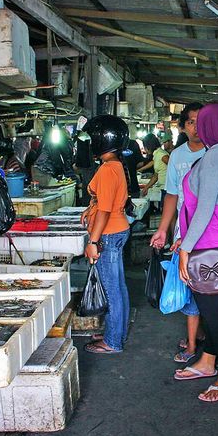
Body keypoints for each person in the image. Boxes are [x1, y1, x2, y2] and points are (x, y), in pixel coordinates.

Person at [173, 104, 218, 403]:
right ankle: (208, 361)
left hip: (210, 249)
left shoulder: (217, 156)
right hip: (214, 243)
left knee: (214, 315)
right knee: (212, 310)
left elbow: (205, 208)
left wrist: (186, 249)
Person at [150, 102, 206, 363]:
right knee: (190, 284)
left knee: (214, 286)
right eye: (191, 122)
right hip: (184, 230)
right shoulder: (178, 156)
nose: (196, 127)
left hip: (211, 231)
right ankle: (193, 344)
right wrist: (164, 229)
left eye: (201, 121)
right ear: (183, 126)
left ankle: (210, 337)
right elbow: (172, 194)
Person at [81, 115, 134, 354]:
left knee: (113, 289)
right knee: (119, 287)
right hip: (118, 227)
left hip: (108, 234)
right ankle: (117, 332)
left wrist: (93, 241)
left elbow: (104, 209)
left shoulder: (106, 169)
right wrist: (89, 209)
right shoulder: (116, 166)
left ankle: (113, 342)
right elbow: (104, 201)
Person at [140, 133, 172, 199]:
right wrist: (146, 188)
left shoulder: (162, 155)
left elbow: (174, 169)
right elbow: (156, 175)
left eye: (145, 147)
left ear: (148, 146)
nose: (145, 149)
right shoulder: (156, 154)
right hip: (162, 189)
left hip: (166, 190)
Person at [73, 133, 97, 207]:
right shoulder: (84, 137)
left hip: (87, 164)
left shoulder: (83, 136)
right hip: (87, 164)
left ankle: (88, 205)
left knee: (88, 186)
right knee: (89, 186)